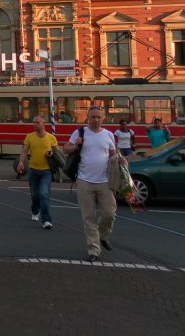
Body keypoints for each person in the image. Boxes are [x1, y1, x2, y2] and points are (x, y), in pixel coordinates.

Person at [64, 105, 126, 262]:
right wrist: (76, 145)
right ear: (87, 117)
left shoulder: (108, 135)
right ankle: (94, 250)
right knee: (89, 217)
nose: (96, 120)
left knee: (109, 214)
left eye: (99, 117)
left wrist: (120, 161)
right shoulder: (80, 132)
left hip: (105, 181)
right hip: (85, 181)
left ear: (103, 118)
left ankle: (103, 236)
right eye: (93, 117)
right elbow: (65, 149)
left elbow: (113, 155)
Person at [16, 116, 58, 230]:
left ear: (43, 123)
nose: (34, 124)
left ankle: (46, 220)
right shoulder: (29, 137)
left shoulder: (51, 137)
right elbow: (24, 151)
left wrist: (51, 154)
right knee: (34, 195)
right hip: (33, 170)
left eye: (37, 122)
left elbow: (57, 153)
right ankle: (35, 210)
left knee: (44, 194)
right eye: (33, 122)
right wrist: (21, 162)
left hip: (46, 171)